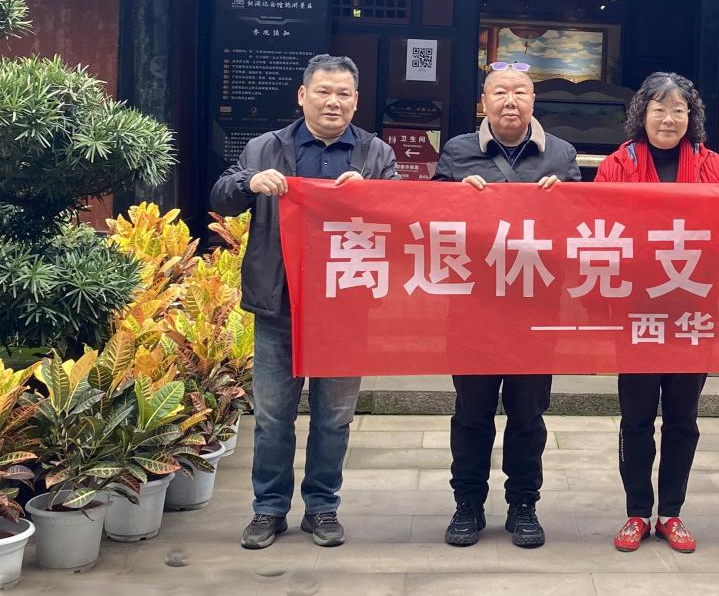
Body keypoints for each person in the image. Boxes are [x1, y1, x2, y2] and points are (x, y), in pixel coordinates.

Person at [211, 54, 401, 550]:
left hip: (345, 308)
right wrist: (250, 182)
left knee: (333, 419)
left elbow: (404, 215)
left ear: (356, 101)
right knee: (273, 417)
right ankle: (268, 509)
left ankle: (322, 507)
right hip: (280, 305)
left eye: (343, 94)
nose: (333, 102)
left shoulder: (376, 154)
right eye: (323, 91)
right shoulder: (265, 147)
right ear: (302, 95)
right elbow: (221, 194)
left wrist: (372, 194)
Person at [432, 63, 581, 549]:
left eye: (520, 92)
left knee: (528, 416)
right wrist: (455, 200)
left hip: (535, 310)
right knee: (471, 414)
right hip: (472, 307)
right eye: (500, 92)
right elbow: (427, 219)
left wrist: (565, 201)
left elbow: (582, 230)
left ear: (534, 101)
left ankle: (523, 505)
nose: (510, 101)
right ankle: (467, 504)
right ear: (484, 101)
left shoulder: (561, 154)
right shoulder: (457, 151)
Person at [596, 72, 719, 555]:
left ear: (691, 117)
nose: (668, 119)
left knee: (682, 419)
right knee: (636, 418)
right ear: (642, 113)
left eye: (678, 110)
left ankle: (671, 513)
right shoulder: (617, 164)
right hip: (637, 312)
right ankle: (637, 512)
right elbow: (599, 229)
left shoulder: (712, 165)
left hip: (693, 311)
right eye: (659, 108)